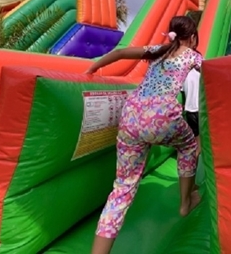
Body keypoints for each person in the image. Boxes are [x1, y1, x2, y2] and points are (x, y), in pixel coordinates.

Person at [85, 16, 203, 254]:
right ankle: (185, 202)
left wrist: (93, 67)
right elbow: (215, 74)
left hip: (131, 118)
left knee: (122, 188)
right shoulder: (192, 55)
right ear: (191, 38)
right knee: (190, 146)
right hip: (162, 118)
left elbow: (120, 54)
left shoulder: (157, 51)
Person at [182, 68, 201, 154]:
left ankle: (195, 153)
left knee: (195, 136)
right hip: (201, 108)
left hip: (190, 109)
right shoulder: (200, 74)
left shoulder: (182, 76)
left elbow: (182, 93)